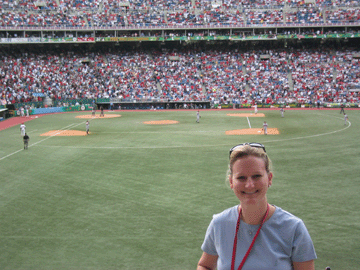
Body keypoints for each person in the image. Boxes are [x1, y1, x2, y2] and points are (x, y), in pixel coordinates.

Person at [197, 143, 317, 270]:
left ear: (269, 178)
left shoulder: (294, 229)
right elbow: (205, 265)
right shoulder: (219, 224)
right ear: (231, 182)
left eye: (256, 176)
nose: (249, 185)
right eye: (241, 178)